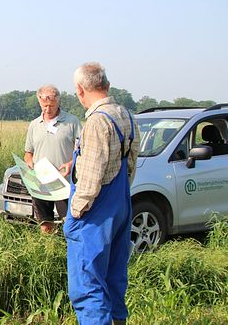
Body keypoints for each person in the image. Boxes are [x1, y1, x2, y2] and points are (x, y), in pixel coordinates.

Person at [65, 62, 139, 325]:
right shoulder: (126, 115)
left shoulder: (97, 121)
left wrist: (75, 212)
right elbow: (130, 164)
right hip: (120, 204)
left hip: (95, 211)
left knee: (88, 285)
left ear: (81, 90)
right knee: (114, 277)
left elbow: (92, 175)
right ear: (106, 85)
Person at [24, 85, 82, 233]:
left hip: (64, 183)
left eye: (51, 105)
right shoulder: (34, 125)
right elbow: (28, 152)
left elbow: (83, 150)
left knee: (69, 223)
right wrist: (29, 162)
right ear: (39, 102)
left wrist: (70, 163)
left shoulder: (72, 122)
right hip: (41, 183)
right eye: (44, 106)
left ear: (58, 102)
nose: (48, 109)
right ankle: (49, 250)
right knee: (45, 222)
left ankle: (69, 250)